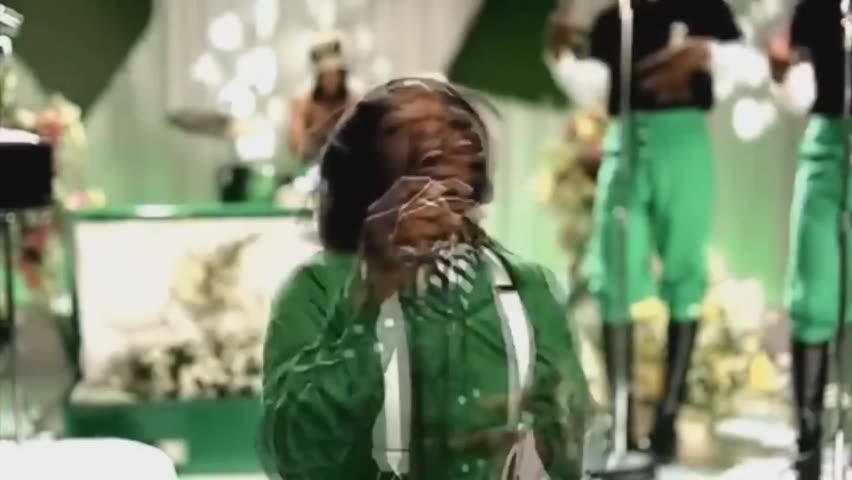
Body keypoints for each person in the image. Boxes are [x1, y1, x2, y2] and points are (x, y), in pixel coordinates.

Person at [261, 77, 591, 479]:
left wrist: (535, 446)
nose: (441, 139)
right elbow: (296, 455)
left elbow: (570, 443)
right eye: (406, 129)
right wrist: (372, 299)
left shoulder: (527, 289)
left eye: (455, 124)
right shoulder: (317, 289)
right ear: (364, 167)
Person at [546, 0, 761, 464]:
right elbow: (595, 86)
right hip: (626, 136)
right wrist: (561, 58)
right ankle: (621, 422)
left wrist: (706, 53)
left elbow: (751, 66)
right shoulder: (614, 19)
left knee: (685, 268)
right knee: (614, 268)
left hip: (684, 139)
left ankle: (667, 420)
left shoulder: (706, 9)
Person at [768, 1, 843, 478]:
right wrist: (783, 72)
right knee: (814, 288)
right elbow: (798, 94)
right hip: (828, 144)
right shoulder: (816, 9)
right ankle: (809, 440)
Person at [287, 34, 358, 167]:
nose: (331, 79)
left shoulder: (353, 102)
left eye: (335, 74)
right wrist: (315, 135)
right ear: (318, 77)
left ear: (342, 74)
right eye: (325, 75)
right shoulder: (303, 103)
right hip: (313, 168)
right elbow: (297, 146)